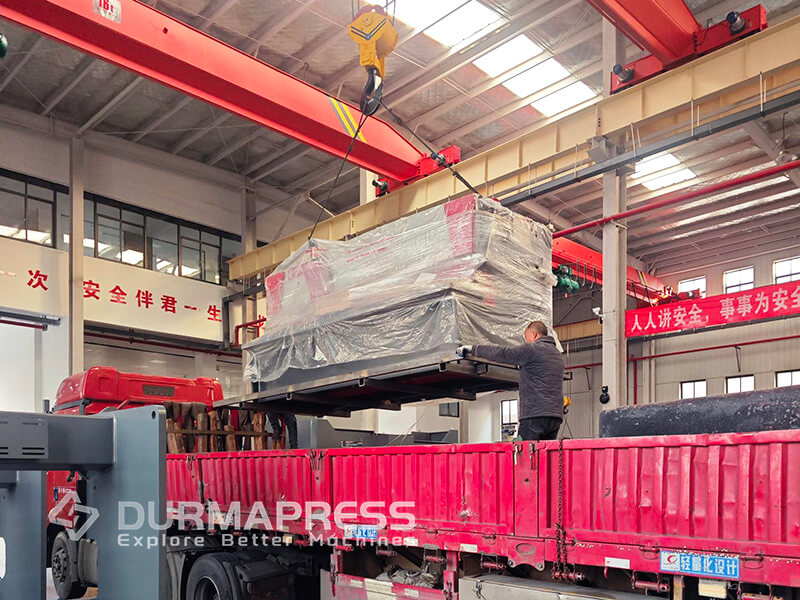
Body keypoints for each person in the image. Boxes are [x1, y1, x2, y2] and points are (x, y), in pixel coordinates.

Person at [457, 321, 565, 441]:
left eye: (526, 337)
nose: (526, 341)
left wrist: (473, 349)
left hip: (534, 416)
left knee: (525, 456)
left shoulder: (532, 350)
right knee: (546, 456)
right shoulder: (557, 355)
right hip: (555, 418)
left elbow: (502, 353)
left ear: (534, 334)